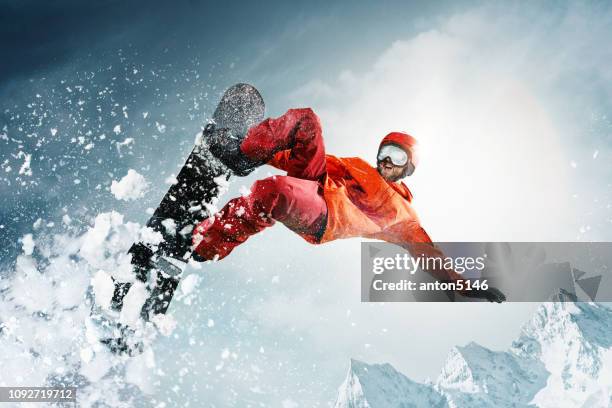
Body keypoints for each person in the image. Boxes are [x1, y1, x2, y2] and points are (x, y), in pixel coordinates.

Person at [193, 108, 505, 303]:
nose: (386, 160)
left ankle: (207, 244)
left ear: (408, 167)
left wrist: (463, 285)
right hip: (315, 184)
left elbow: (428, 253)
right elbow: (308, 160)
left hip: (324, 217)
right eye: (385, 151)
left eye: (397, 157)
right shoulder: (358, 166)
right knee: (307, 121)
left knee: (273, 191)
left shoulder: (404, 217)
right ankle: (241, 149)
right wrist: (263, 154)